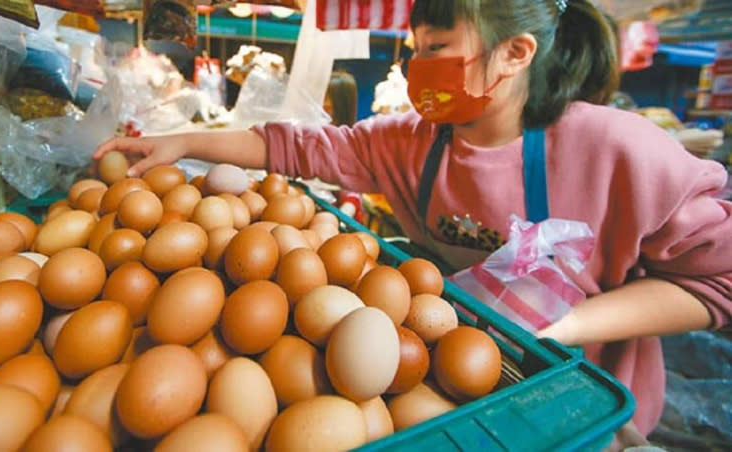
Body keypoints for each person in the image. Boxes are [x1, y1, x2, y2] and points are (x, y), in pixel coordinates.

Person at [95, 0, 732, 447]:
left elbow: (716, 286)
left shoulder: (619, 151)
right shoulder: (415, 144)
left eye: (437, 49)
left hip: (583, 407)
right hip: (460, 388)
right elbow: (298, 147)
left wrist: (567, 324)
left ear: (515, 53)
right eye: (416, 47)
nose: (417, 63)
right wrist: (182, 143)